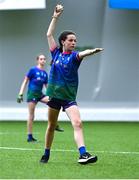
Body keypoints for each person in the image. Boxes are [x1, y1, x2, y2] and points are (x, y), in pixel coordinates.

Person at [40, 4, 103, 164]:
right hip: (54, 97)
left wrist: (92, 51)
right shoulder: (55, 53)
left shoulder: (74, 57)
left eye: (75, 40)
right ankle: (46, 153)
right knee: (51, 126)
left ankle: (83, 154)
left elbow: (83, 53)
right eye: (71, 40)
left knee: (78, 123)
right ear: (63, 42)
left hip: (68, 98)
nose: (74, 42)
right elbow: (49, 34)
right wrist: (55, 16)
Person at [17, 54, 64, 142]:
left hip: (40, 94)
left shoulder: (44, 73)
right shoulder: (33, 70)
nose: (43, 60)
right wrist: (20, 93)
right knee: (31, 115)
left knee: (54, 102)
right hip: (32, 94)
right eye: (41, 59)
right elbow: (25, 81)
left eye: (44, 59)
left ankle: (55, 125)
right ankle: (29, 137)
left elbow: (47, 87)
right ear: (37, 60)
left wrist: (53, 95)